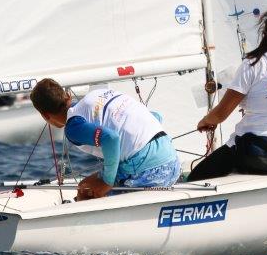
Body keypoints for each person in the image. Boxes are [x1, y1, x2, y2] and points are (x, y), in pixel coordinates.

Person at [188, 3, 267, 182]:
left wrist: (205, 122)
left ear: (266, 28)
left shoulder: (254, 63)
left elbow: (221, 115)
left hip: (250, 155)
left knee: (195, 178)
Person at [30, 79, 181, 200]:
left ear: (45, 116)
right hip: (172, 162)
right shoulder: (97, 95)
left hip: (149, 172)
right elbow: (156, 116)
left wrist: (107, 182)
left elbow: (110, 138)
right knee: (88, 185)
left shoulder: (73, 127)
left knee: (86, 191)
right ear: (68, 96)